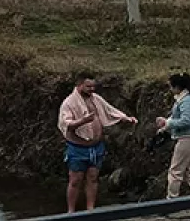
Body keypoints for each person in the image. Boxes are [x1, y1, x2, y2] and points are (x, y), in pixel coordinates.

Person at [58, 74, 137, 212]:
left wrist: (125, 118)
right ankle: (70, 211)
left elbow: (109, 110)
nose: (92, 89)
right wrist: (83, 121)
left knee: (93, 178)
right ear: (79, 85)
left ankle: (91, 209)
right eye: (88, 86)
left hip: (96, 146)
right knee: (75, 180)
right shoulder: (69, 103)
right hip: (78, 148)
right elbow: (66, 124)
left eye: (93, 86)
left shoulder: (96, 99)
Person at [156, 72, 190, 199]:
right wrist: (165, 126)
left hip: (188, 139)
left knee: (175, 171)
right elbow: (177, 118)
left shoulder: (186, 102)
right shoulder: (184, 100)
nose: (170, 89)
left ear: (178, 87)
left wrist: (167, 123)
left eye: (171, 87)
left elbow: (186, 121)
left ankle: (172, 198)